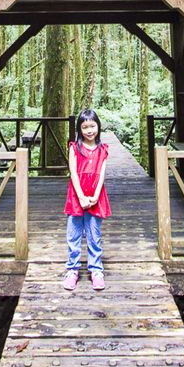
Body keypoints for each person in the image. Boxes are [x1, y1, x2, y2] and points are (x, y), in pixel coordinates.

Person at [63, 109, 111, 291]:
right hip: (77, 196)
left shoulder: (103, 150)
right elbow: (73, 172)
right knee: (73, 234)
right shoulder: (74, 148)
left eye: (93, 126)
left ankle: (96, 270)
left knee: (94, 234)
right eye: (85, 127)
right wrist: (82, 197)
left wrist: (95, 196)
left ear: (98, 126)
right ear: (79, 129)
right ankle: (72, 269)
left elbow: (102, 175)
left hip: (95, 197)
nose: (89, 130)